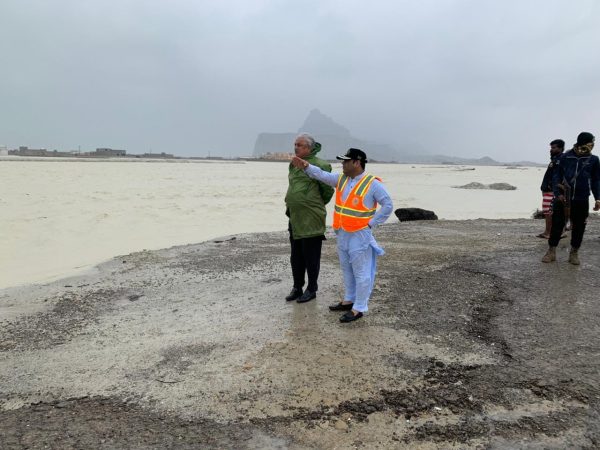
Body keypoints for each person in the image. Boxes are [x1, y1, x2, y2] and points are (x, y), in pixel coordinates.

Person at [291, 148, 393, 322]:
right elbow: (322, 175)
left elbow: (388, 205)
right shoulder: (342, 180)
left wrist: (371, 224)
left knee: (361, 272)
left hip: (360, 234)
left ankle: (359, 308)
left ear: (357, 162)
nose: (343, 164)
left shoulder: (372, 184)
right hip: (343, 232)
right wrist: (307, 167)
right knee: (347, 269)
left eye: (346, 161)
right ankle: (348, 300)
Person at [284, 133, 334, 303]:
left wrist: (313, 204)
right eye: (295, 144)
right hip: (295, 216)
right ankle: (297, 287)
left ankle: (312, 288)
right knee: (296, 255)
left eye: (300, 145)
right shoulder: (294, 163)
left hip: (311, 217)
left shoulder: (321, 165)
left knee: (311, 256)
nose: (296, 147)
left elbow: (327, 190)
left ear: (309, 148)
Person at [542, 132, 600, 264]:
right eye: (591, 142)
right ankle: (551, 251)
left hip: (582, 198)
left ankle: (574, 253)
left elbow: (596, 180)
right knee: (557, 224)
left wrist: (598, 198)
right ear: (584, 142)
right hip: (563, 198)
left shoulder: (593, 159)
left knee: (579, 227)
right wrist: (558, 194)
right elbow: (556, 176)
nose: (592, 145)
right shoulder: (566, 157)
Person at [538, 139, 565, 239]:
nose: (551, 150)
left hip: (552, 190)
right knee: (548, 211)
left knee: (549, 212)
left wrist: (555, 188)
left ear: (560, 148)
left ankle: (549, 232)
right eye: (551, 148)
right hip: (548, 189)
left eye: (554, 148)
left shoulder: (560, 159)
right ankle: (548, 231)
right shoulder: (555, 159)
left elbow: (558, 176)